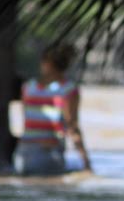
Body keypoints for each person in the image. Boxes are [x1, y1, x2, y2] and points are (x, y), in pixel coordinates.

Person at [13, 43, 91, 175]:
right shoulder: (69, 90)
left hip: (22, 155)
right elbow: (72, 126)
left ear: (46, 63)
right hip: (48, 155)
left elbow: (27, 123)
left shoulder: (28, 87)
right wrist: (87, 163)